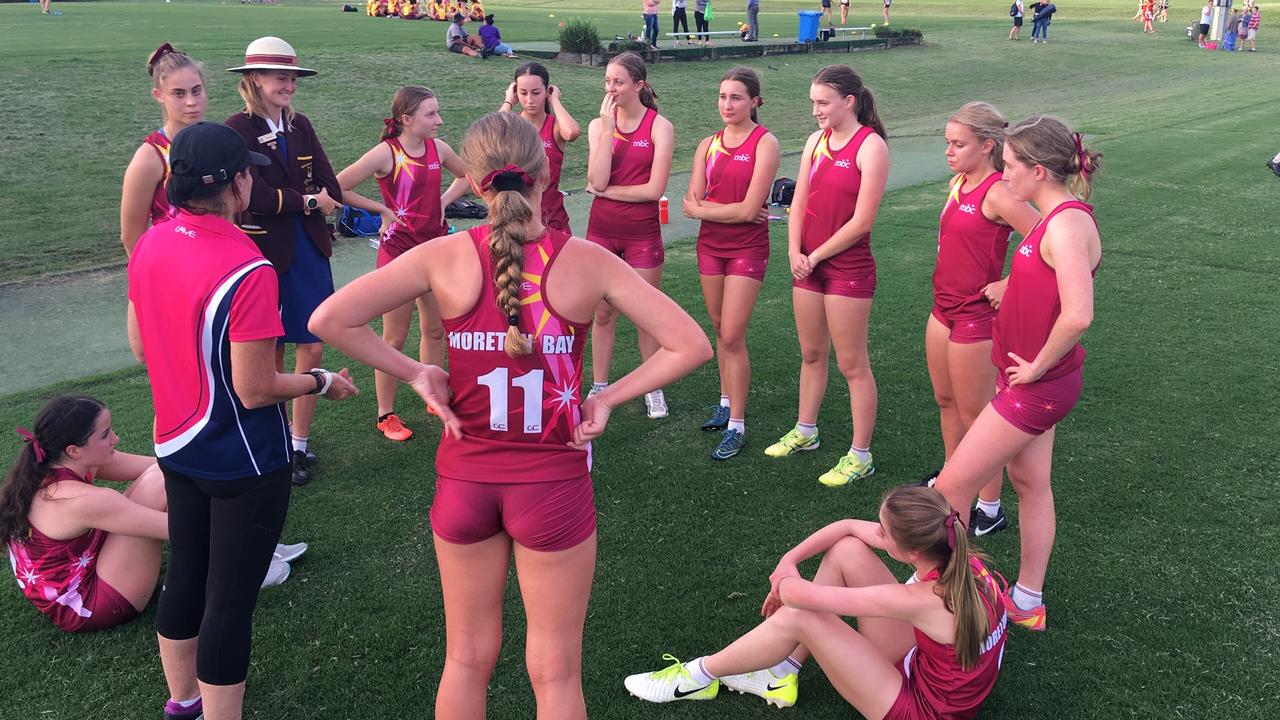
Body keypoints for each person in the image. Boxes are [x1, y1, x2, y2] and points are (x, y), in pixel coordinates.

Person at [309, 110, 711, 720]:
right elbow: (691, 345)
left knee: (466, 660)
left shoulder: (443, 255)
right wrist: (605, 396)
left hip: (465, 482)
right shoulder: (587, 262)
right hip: (553, 486)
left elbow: (327, 321)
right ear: (546, 174)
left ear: (474, 184)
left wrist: (417, 372)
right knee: (555, 671)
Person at [128, 121, 357, 720]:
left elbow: (141, 348)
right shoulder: (247, 267)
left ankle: (183, 704)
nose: (254, 178)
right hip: (245, 459)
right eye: (249, 171)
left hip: (176, 446)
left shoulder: (151, 241)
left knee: (187, 578)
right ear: (234, 184)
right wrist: (321, 381)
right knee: (228, 602)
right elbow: (256, 389)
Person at [622, 485, 1008, 718]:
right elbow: (847, 530)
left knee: (801, 619)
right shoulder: (962, 560)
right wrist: (788, 561)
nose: (875, 532)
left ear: (910, 553)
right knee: (846, 551)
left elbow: (798, 597)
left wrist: (784, 585)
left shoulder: (918, 599)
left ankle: (698, 677)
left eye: (883, 532)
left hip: (922, 712)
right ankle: (782, 671)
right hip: (924, 671)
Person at [933, 116, 1102, 632]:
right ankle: (1027, 602)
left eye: (1008, 167)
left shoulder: (1068, 224)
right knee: (1030, 483)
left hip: (1036, 387)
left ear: (1038, 171)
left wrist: (1036, 366)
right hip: (1029, 381)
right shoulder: (1053, 219)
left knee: (951, 486)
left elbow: (1078, 314)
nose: (1003, 176)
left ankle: (943, 598)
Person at [3, 398, 304, 638]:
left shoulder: (57, 464)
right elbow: (184, 531)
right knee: (161, 483)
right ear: (74, 450)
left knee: (165, 475)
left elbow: (172, 467)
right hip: (93, 603)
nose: (116, 438)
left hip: (77, 582)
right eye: (106, 434)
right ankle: (246, 565)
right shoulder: (78, 499)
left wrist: (212, 469)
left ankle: (255, 551)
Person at [224, 37, 343, 487]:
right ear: (254, 79)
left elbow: (329, 183)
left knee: (312, 343)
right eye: (280, 77)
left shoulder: (302, 125)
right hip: (263, 253)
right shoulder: (236, 127)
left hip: (309, 248)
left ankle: (298, 443)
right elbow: (250, 196)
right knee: (268, 351)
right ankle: (271, 441)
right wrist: (309, 202)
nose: (289, 84)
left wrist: (310, 202)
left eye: (293, 77)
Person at [763, 65, 887, 488]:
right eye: (813, 102)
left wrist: (813, 255)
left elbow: (862, 221)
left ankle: (860, 455)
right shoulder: (815, 141)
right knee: (812, 353)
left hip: (846, 269)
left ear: (848, 102)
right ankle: (806, 430)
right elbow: (797, 204)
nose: (815, 110)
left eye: (822, 102)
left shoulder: (870, 147)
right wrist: (794, 251)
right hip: (809, 265)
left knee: (853, 365)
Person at [926, 102, 1040, 537]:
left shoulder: (997, 190)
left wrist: (1010, 282)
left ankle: (988, 508)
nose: (949, 151)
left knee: (979, 417)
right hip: (943, 309)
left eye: (958, 144)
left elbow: (1044, 237)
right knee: (946, 402)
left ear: (987, 145)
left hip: (976, 316)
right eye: (947, 143)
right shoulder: (960, 182)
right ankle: (954, 488)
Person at [336, 86, 469, 443]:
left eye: (438, 112)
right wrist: (380, 209)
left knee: (436, 329)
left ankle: (433, 395)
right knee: (392, 338)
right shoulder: (386, 153)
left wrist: (443, 200)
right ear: (406, 119)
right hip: (398, 253)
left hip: (435, 248)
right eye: (431, 114)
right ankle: (386, 414)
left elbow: (467, 175)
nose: (439, 120)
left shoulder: (439, 149)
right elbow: (337, 188)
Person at [685, 67, 779, 460]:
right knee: (720, 328)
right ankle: (725, 403)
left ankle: (737, 425)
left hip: (747, 249)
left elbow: (746, 212)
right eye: (723, 96)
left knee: (732, 336)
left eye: (736, 97)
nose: (727, 104)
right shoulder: (708, 143)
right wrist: (734, 210)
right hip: (710, 247)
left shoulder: (765, 143)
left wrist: (718, 209)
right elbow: (691, 204)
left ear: (754, 101)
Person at [585, 52, 676, 418]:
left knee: (646, 315)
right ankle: (600, 385)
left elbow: (654, 190)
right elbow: (597, 180)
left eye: (618, 82)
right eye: (608, 81)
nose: (611, 89)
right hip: (602, 232)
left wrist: (607, 193)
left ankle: (652, 387)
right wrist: (607, 130)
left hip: (641, 234)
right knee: (603, 314)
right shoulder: (598, 126)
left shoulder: (659, 127)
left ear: (639, 85)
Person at [121, 44, 206, 257]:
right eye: (178, 94)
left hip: (215, 265)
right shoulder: (150, 157)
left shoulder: (214, 140)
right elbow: (132, 237)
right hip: (172, 265)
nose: (191, 102)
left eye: (196, 91)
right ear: (159, 95)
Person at [501, 62, 581, 234]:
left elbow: (572, 132)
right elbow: (492, 134)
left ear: (546, 91)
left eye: (536, 92)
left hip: (553, 219)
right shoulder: (511, 124)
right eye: (523, 93)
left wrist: (555, 100)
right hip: (517, 220)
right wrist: (508, 100)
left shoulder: (554, 126)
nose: (529, 100)